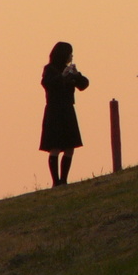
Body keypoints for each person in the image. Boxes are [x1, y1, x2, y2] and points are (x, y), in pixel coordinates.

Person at [39, 41, 89, 186]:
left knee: (69, 147)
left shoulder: (69, 70)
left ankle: (64, 180)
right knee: (54, 147)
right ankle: (56, 181)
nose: (71, 56)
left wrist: (76, 75)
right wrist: (62, 76)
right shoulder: (49, 69)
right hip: (54, 111)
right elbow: (47, 84)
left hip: (67, 109)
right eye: (69, 53)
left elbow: (84, 84)